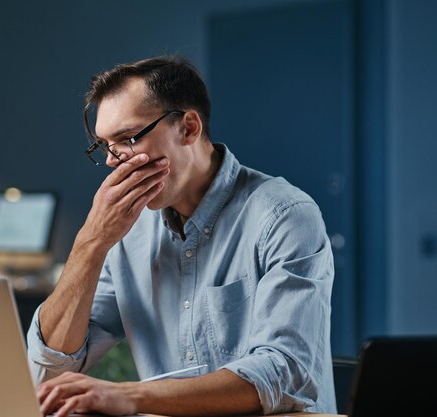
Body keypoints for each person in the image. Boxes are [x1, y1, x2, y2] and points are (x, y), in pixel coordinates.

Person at [27, 56, 336, 416]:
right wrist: (90, 243)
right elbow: (51, 368)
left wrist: (133, 397)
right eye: (105, 146)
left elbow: (283, 374)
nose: (113, 160)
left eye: (127, 138)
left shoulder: (285, 216)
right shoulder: (127, 232)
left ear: (188, 128)